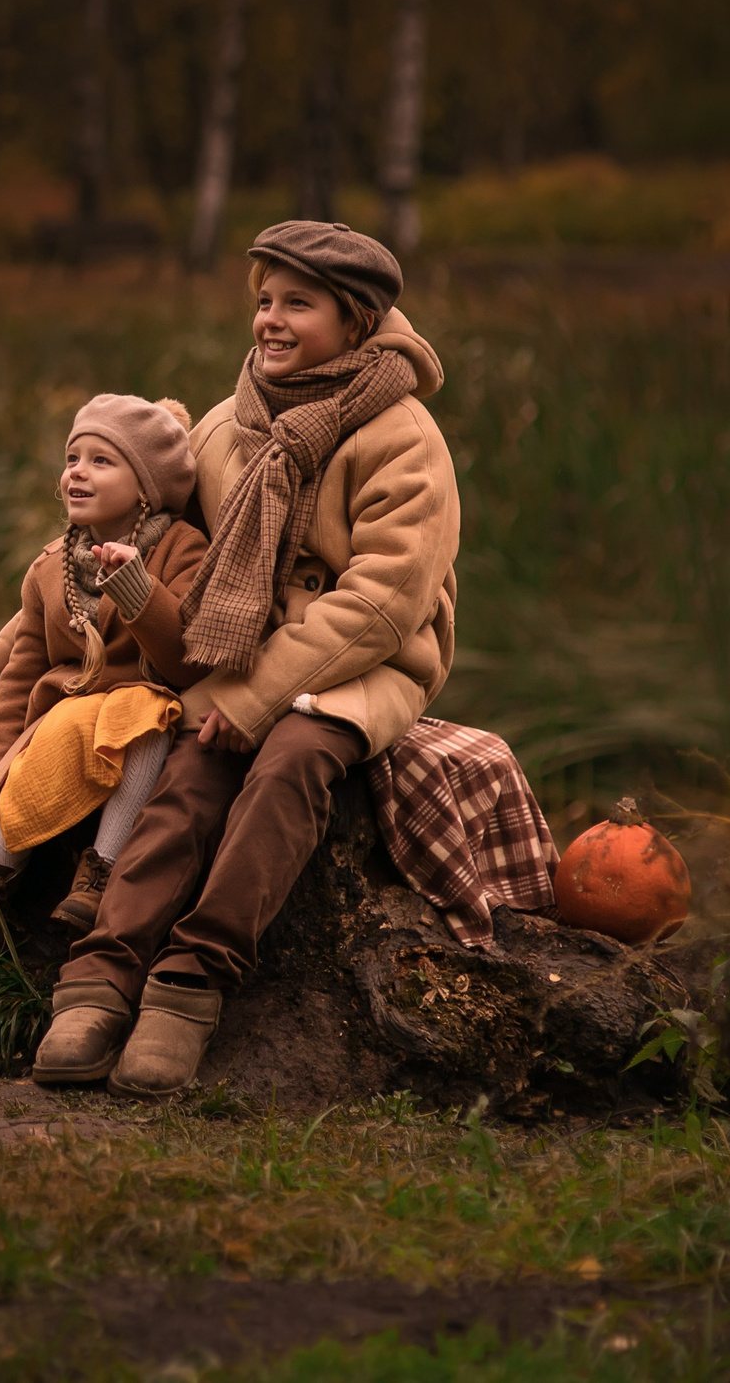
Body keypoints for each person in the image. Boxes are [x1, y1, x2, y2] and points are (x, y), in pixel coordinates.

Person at [33, 220, 459, 1098]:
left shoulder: (402, 436)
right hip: (245, 650)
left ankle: (192, 982)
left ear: (357, 318)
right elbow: (179, 540)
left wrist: (261, 697)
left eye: (297, 304)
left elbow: (383, 602)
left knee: (291, 762)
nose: (269, 320)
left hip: (363, 665)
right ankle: (101, 975)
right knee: (188, 775)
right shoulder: (232, 424)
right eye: (263, 300)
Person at [0, 395, 208, 935]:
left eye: (102, 461)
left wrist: (139, 589)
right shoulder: (50, 568)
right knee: (34, 767)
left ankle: (100, 870)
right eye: (73, 458)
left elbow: (186, 662)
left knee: (147, 711)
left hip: (140, 716)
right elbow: (18, 681)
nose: (78, 472)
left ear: (146, 486)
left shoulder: (182, 550)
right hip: (63, 720)